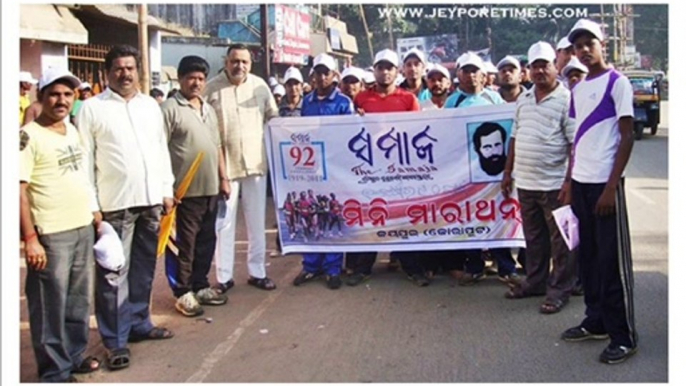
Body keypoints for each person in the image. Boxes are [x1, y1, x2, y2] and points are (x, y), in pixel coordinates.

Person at [77, 45, 176, 371]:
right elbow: (85, 161)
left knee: (144, 269)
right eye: (119, 68)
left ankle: (139, 324)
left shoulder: (150, 106)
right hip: (114, 205)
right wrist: (92, 205)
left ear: (138, 71)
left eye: (130, 68)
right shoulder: (92, 108)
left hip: (150, 202)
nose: (125, 74)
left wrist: (166, 190)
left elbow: (161, 150)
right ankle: (116, 341)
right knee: (112, 276)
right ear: (108, 73)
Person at [559, 19, 638, 365]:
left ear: (602, 44)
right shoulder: (577, 90)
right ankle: (596, 321)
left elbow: (627, 136)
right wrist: (569, 181)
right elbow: (578, 139)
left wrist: (610, 187)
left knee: (609, 263)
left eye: (589, 43)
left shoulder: (618, 83)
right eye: (578, 46)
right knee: (587, 258)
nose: (584, 50)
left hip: (605, 187)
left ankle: (624, 335)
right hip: (580, 184)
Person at [21, 67, 100, 383]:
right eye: (54, 93)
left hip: (81, 227)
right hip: (51, 234)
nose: (62, 100)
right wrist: (30, 237)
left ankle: (73, 356)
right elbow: (18, 189)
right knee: (49, 305)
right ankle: (54, 370)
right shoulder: (28, 136)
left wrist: (94, 215)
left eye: (68, 94)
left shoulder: (72, 130)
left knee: (78, 302)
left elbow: (81, 175)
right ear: (41, 96)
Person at [500, 41, 577, 315]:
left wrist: (569, 182)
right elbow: (515, 137)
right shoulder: (524, 99)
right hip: (527, 182)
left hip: (555, 184)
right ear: (528, 71)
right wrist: (508, 172)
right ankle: (536, 281)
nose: (540, 71)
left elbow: (573, 144)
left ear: (555, 67)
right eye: (535, 66)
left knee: (561, 242)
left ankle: (559, 290)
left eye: (545, 65)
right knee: (534, 238)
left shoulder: (567, 99)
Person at [205, 43, 279, 293]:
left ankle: (257, 272)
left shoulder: (260, 86)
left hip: (256, 165)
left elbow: (274, 118)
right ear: (226, 62)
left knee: (257, 221)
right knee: (224, 224)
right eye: (235, 61)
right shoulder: (212, 89)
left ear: (251, 64)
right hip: (226, 168)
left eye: (244, 62)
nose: (240, 66)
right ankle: (224, 277)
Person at [161, 55, 231, 317]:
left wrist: (223, 178)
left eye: (201, 78)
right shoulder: (169, 108)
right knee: (184, 245)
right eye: (191, 78)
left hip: (210, 189)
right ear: (180, 79)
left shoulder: (207, 109)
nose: (196, 83)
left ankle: (200, 285)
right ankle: (182, 292)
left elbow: (216, 145)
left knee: (206, 241)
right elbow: (159, 149)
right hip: (184, 192)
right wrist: (166, 189)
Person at [444, 52, 519, 287]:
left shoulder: (494, 100)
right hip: (464, 173)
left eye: (475, 70)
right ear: (458, 75)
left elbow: (508, 133)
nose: (471, 75)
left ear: (483, 74)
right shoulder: (452, 102)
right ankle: (474, 266)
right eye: (466, 70)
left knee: (498, 217)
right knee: (469, 219)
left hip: (493, 173)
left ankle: (506, 268)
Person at [349, 48, 420, 286]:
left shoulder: (408, 99)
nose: (385, 72)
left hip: (401, 169)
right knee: (370, 215)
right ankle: (363, 267)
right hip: (371, 170)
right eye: (381, 67)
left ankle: (412, 267)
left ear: (397, 71)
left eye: (390, 67)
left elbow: (418, 131)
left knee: (404, 215)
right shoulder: (361, 98)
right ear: (374, 70)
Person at [291, 53, 354, 290]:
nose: (321, 77)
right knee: (310, 214)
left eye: (325, 72)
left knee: (331, 216)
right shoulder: (306, 101)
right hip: (310, 169)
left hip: (335, 167)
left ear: (334, 75)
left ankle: (333, 268)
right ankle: (311, 265)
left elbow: (349, 136)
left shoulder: (344, 102)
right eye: (317, 72)